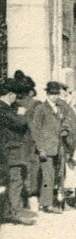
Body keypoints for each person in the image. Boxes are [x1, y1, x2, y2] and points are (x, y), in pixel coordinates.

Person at [29, 81, 74, 213]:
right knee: (48, 176)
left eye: (56, 94)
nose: (54, 96)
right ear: (47, 94)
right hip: (46, 148)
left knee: (58, 176)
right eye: (52, 94)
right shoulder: (41, 109)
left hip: (59, 146)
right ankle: (46, 204)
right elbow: (35, 130)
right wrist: (40, 148)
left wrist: (65, 129)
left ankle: (58, 201)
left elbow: (65, 121)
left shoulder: (59, 108)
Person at [0, 78, 36, 225]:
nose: (17, 98)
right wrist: (22, 113)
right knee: (15, 182)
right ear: (9, 94)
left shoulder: (6, 108)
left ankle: (8, 212)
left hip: (9, 150)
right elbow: (19, 124)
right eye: (16, 94)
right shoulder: (3, 108)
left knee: (11, 182)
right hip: (9, 151)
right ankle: (14, 213)